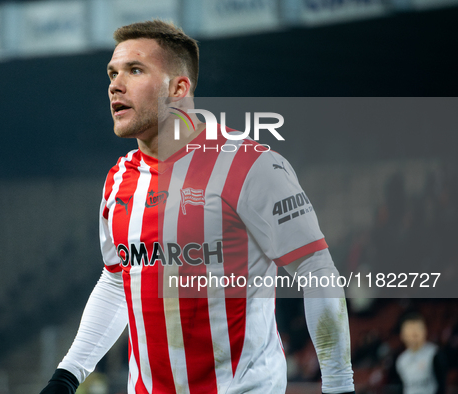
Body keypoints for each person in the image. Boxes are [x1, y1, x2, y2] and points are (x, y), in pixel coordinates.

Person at [40, 19, 355, 394]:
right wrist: (67, 375)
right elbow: (118, 281)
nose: (114, 85)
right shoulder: (118, 179)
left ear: (178, 87)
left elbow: (315, 269)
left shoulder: (252, 166)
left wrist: (339, 386)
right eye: (112, 72)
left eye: (135, 70)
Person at [395, 312, 446, 394]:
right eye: (410, 330)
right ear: (402, 334)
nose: (414, 334)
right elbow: (403, 385)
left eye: (418, 329)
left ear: (425, 331)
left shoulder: (434, 354)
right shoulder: (401, 360)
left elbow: (442, 385)